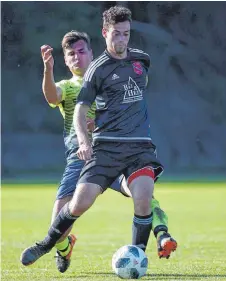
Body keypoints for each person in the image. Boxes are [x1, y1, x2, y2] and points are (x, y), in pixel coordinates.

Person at [20, 6, 177, 268]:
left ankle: (142, 251)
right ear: (105, 33)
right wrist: (84, 141)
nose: (122, 40)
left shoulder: (142, 60)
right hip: (103, 150)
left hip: (138, 148)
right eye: (117, 34)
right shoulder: (95, 72)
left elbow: (135, 92)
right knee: (78, 203)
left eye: (126, 34)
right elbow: (80, 110)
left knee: (144, 194)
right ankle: (48, 244)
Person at [39, 30, 128, 273]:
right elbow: (50, 95)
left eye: (81, 51)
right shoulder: (67, 87)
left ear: (91, 52)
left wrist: (100, 122)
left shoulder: (107, 81)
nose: (77, 57)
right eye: (71, 54)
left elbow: (124, 112)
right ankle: (65, 247)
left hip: (110, 154)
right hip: (78, 159)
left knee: (140, 189)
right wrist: (48, 69)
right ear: (66, 61)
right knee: (56, 226)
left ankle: (160, 231)